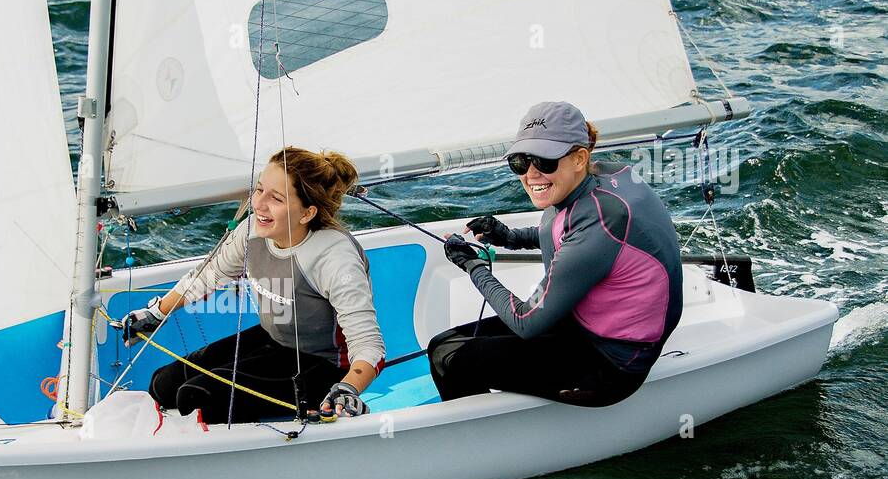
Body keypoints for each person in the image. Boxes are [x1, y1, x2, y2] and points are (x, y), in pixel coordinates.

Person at [429, 101, 683, 407]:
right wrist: (508, 237)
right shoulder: (600, 179)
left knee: (448, 358)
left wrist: (473, 265)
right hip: (585, 327)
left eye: (545, 161)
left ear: (579, 158)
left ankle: (478, 443)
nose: (532, 174)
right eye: (521, 162)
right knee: (441, 344)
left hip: (611, 366)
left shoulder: (601, 219)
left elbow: (526, 321)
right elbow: (571, 235)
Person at [119, 148, 385, 424]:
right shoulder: (254, 231)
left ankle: (333, 404)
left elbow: (369, 346)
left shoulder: (333, 256)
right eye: (259, 190)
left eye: (276, 198)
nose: (259, 204)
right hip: (274, 341)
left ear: (307, 213)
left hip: (323, 365)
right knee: (163, 384)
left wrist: (348, 388)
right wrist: (156, 314)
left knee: (196, 397)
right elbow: (209, 275)